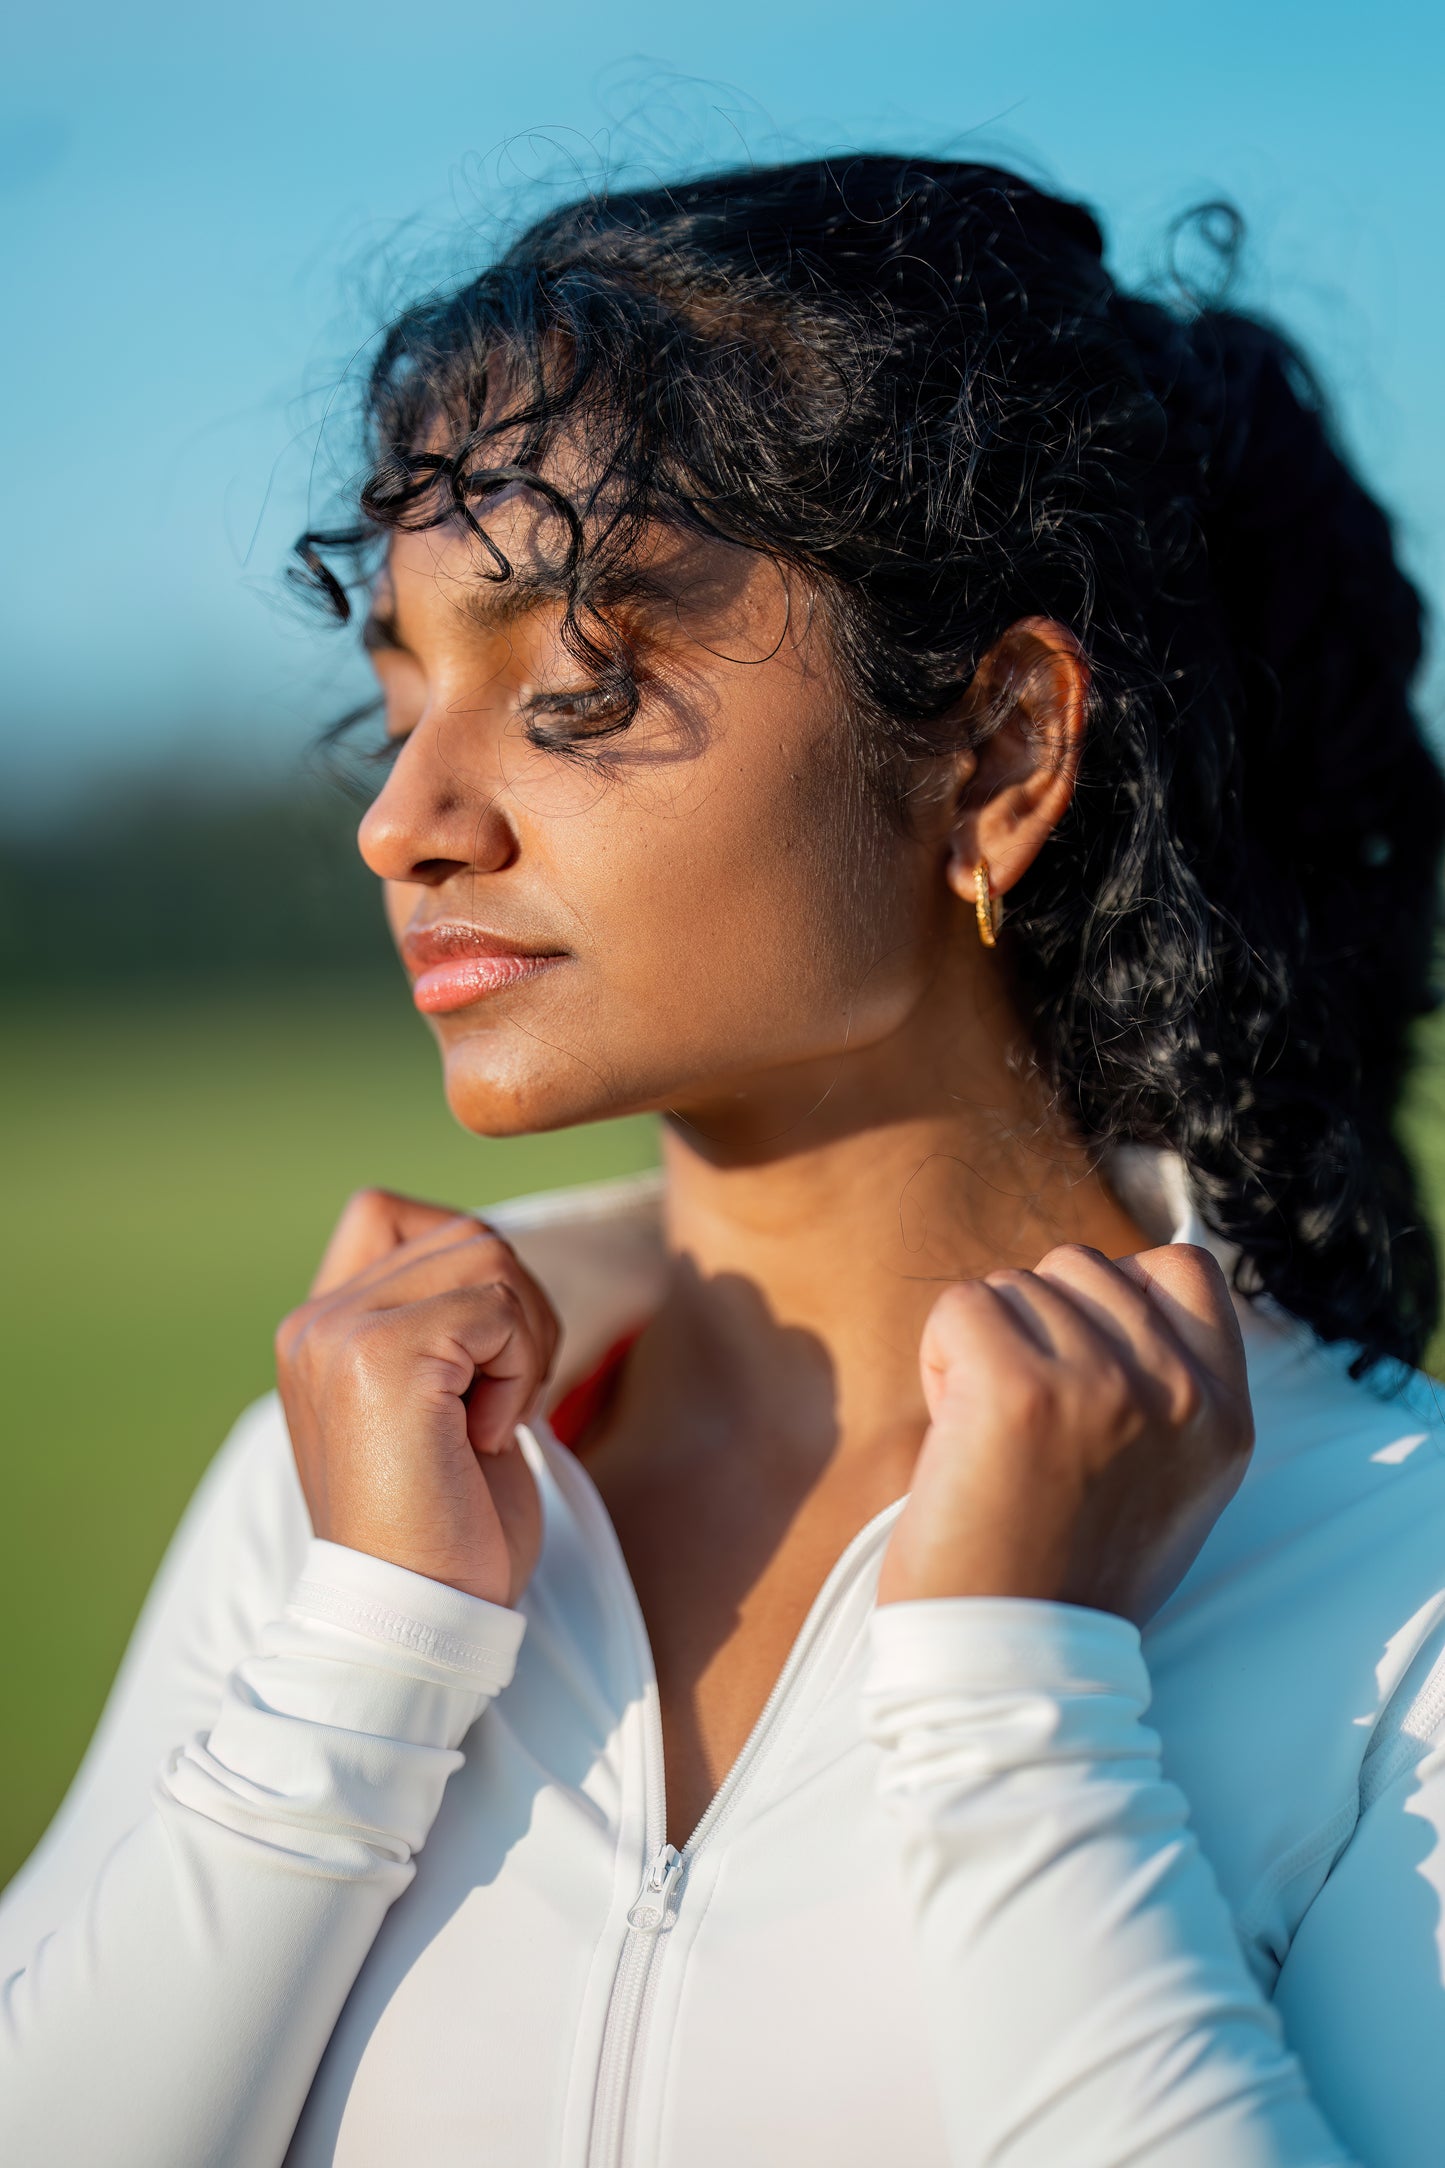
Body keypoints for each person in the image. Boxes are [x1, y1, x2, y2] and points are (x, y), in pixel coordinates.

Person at [3, 155, 1445, 2168]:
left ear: (1000, 748)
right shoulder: (360, 1485)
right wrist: (367, 1646)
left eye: (572, 680)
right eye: (398, 693)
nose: (404, 819)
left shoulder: (1399, 1590)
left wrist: (1021, 1692)